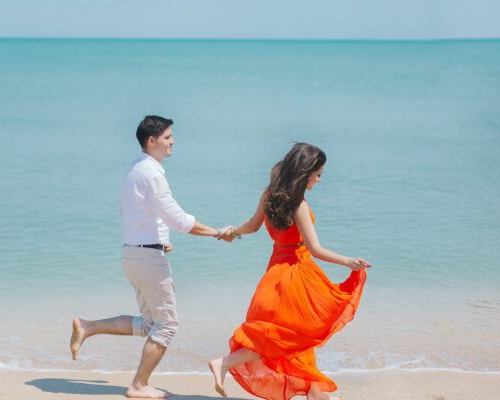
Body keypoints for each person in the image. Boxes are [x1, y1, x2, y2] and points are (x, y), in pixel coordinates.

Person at [70, 115, 234, 399]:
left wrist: (162, 239)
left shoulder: (134, 169)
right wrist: (218, 233)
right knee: (167, 325)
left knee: (149, 323)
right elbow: (178, 219)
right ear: (151, 140)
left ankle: (88, 327)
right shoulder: (152, 173)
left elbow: (136, 212)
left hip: (133, 254)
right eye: (168, 137)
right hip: (147, 258)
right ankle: (139, 385)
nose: (173, 142)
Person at [208, 143, 371, 400]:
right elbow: (315, 249)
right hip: (296, 273)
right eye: (318, 174)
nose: (319, 180)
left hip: (275, 271)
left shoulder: (270, 195)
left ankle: (315, 392)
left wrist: (231, 232)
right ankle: (224, 363)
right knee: (284, 336)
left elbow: (252, 225)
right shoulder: (299, 205)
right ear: (305, 173)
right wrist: (349, 261)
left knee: (295, 334)